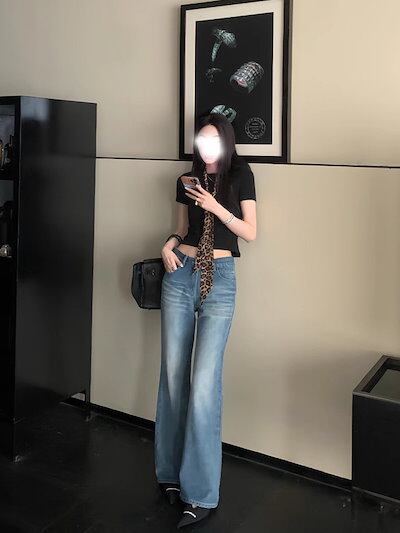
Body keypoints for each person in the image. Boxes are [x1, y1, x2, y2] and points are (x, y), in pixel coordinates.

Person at [154, 112, 257, 528]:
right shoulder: (186, 180)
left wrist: (216, 206)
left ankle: (199, 493)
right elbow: (182, 229)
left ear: (226, 142)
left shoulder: (241, 175)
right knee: (172, 377)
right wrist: (168, 245)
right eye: (201, 140)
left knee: (203, 385)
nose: (206, 147)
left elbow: (250, 232)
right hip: (180, 275)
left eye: (213, 140)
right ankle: (169, 475)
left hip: (221, 278)